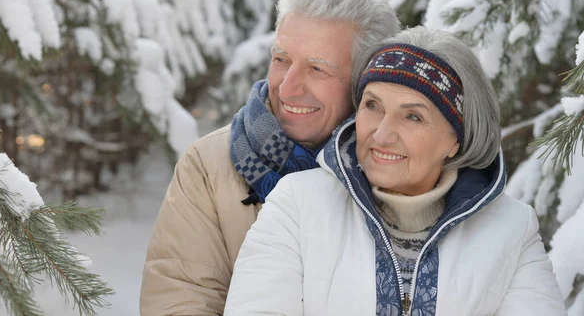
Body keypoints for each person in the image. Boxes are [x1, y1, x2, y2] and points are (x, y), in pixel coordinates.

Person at [224, 27, 567, 316]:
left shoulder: (511, 229)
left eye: (413, 116)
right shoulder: (298, 203)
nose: (382, 134)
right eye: (372, 106)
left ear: (456, 141)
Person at [139, 0, 400, 315]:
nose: (288, 88)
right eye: (281, 60)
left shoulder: (401, 167)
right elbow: (179, 298)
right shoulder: (210, 167)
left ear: (368, 79)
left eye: (317, 69)